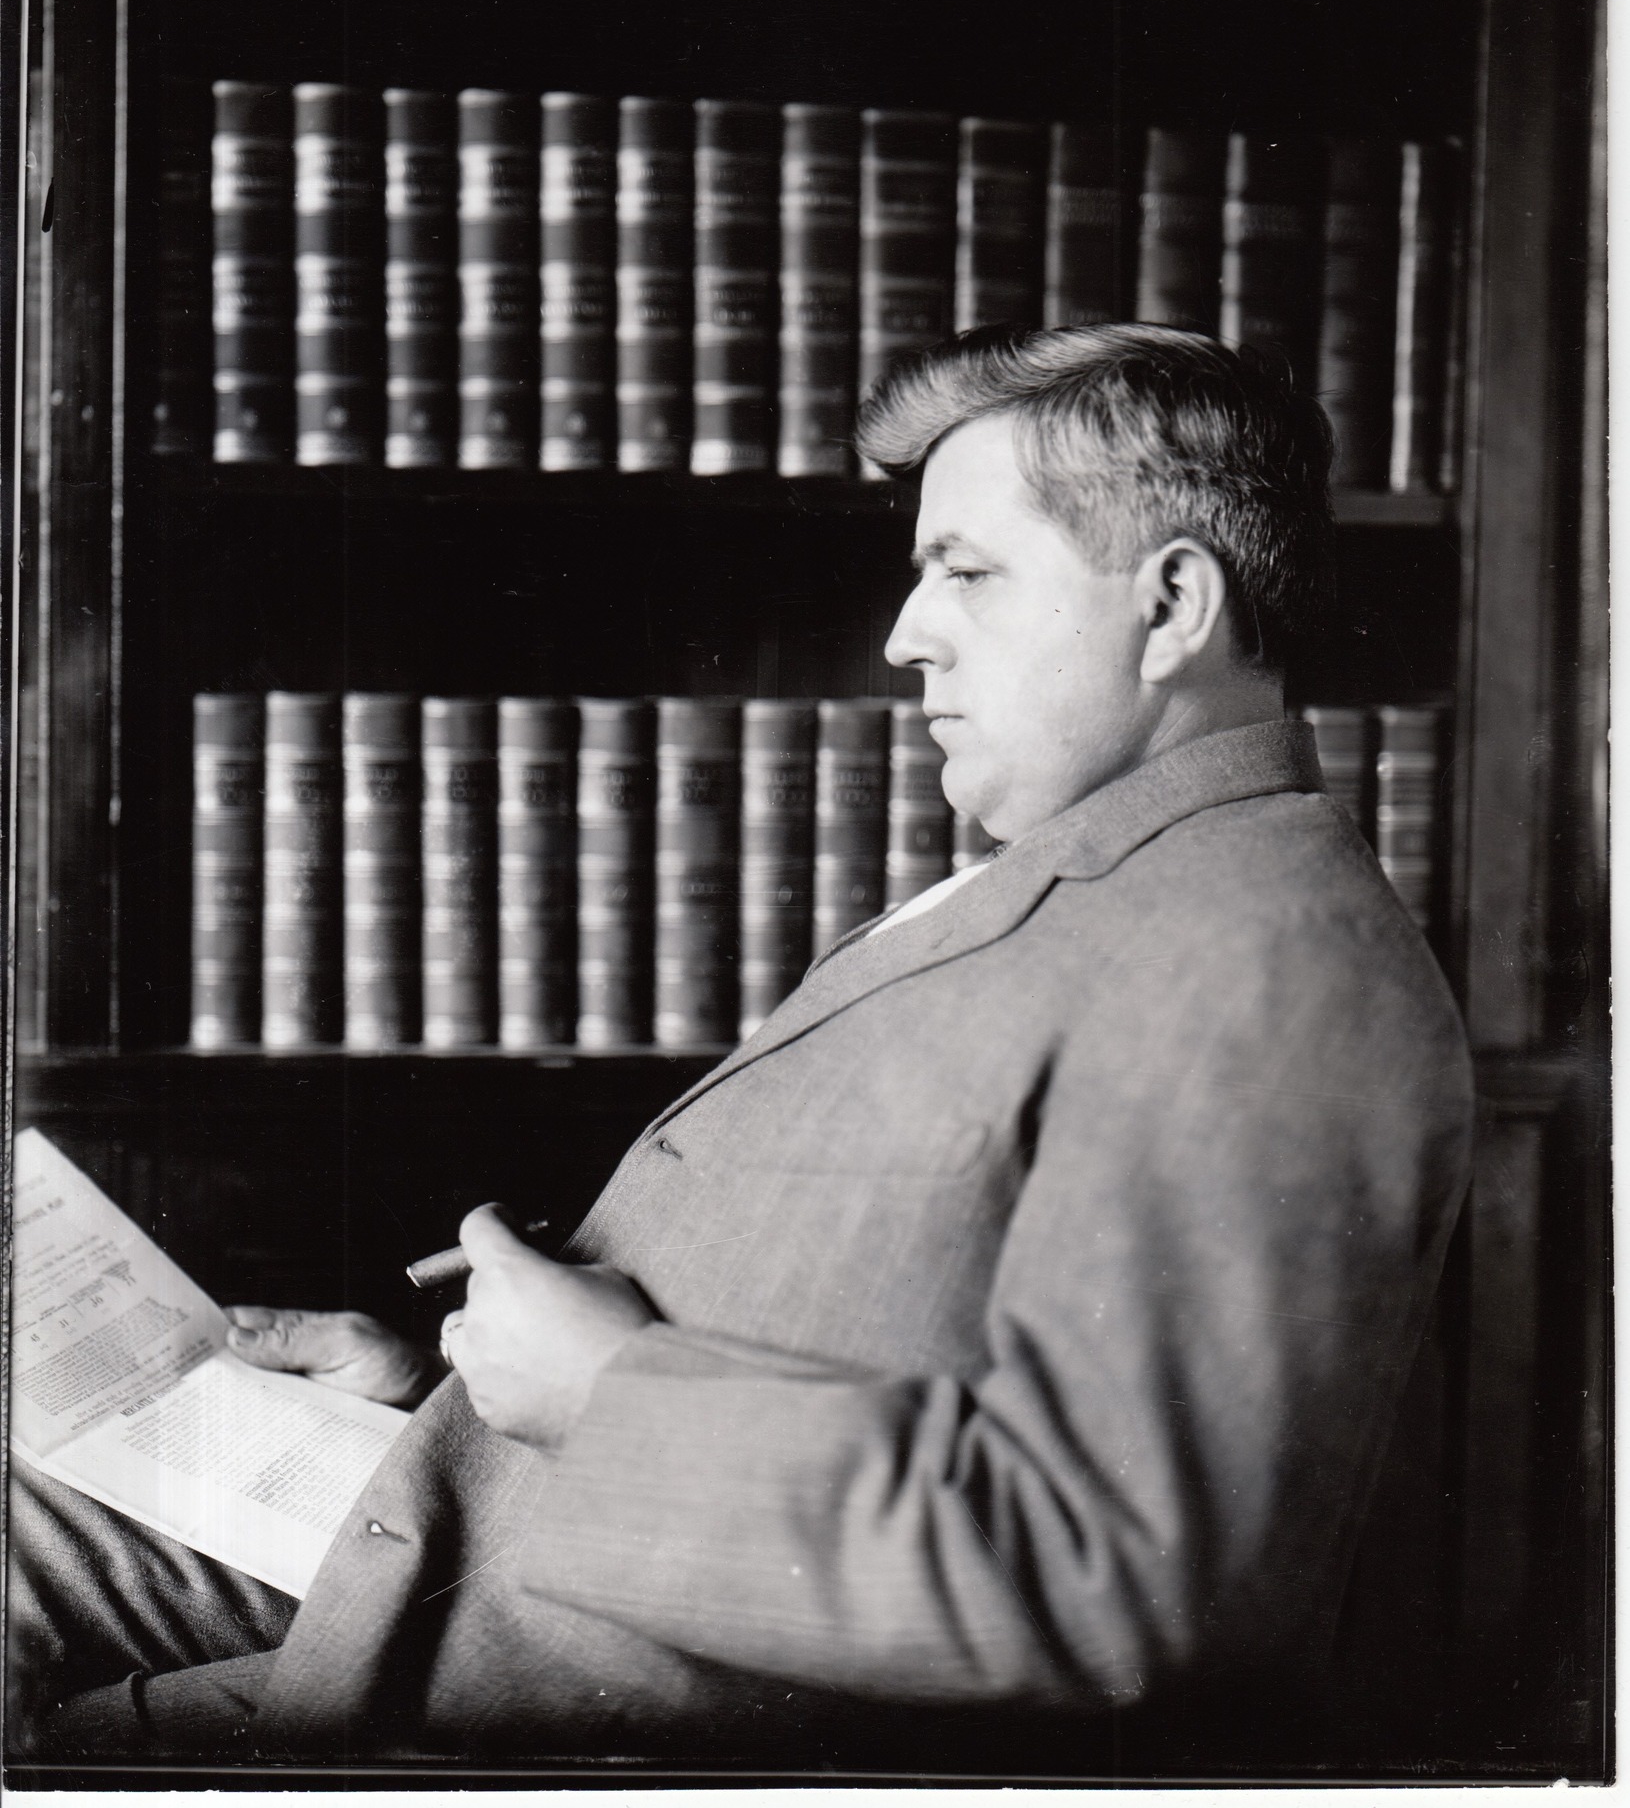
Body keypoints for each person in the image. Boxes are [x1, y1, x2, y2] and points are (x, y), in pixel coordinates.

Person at [10, 324, 1473, 1773]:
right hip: (499, 1534)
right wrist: (446, 1397)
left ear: (1170, 606)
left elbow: (1130, 1594)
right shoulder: (1108, 880)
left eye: (963, 570)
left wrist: (604, 1399)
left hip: (573, 1693)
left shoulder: (1257, 965)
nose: (906, 632)